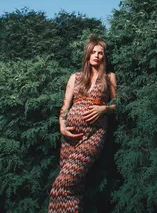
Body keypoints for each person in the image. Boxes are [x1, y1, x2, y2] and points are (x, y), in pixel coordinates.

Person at [48, 35, 117, 212]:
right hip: (70, 137)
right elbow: (65, 106)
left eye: (100, 53)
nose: (97, 56)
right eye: (93, 52)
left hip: (94, 135)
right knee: (74, 188)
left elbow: (116, 105)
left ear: (104, 56)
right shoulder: (75, 77)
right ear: (87, 55)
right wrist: (62, 125)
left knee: (61, 186)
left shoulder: (109, 77)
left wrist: (103, 109)